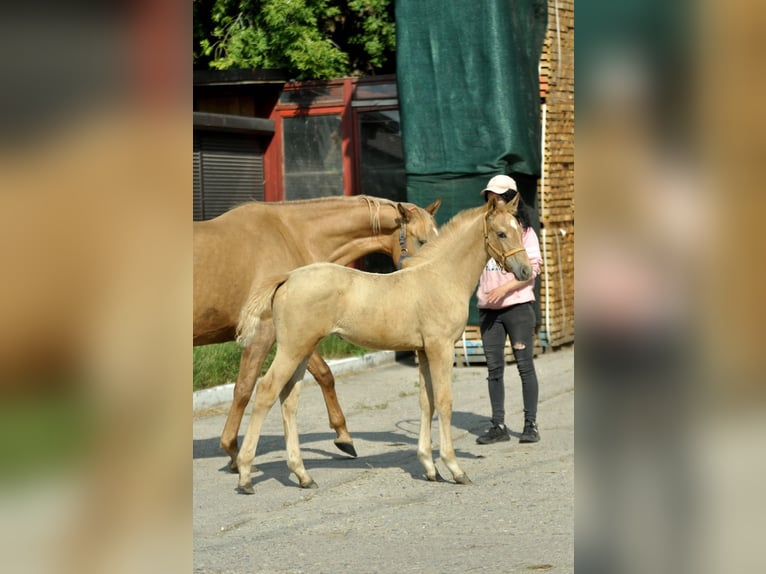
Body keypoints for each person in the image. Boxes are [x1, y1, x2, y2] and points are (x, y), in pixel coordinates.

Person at [475, 174, 543, 444]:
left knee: (524, 366)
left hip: (516, 307)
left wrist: (503, 290)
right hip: (488, 309)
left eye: (501, 195)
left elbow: (533, 268)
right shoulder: (482, 232)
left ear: (512, 199)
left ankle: (531, 425)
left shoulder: (523, 232)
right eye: (491, 195)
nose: (496, 200)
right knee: (494, 369)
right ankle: (498, 426)